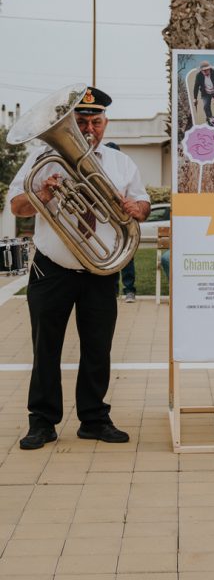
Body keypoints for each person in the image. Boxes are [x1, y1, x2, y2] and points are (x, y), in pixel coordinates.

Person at [9, 87, 151, 449]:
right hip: (52, 269)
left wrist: (139, 210)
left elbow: (143, 202)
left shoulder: (120, 163)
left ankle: (94, 419)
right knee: (46, 348)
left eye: (96, 121)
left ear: (106, 123)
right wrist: (43, 194)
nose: (89, 129)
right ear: (71, 122)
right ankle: (41, 422)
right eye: (82, 121)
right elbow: (16, 206)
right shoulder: (43, 160)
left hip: (100, 271)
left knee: (97, 347)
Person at [106, 141, 137, 303]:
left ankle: (129, 289)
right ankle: (114, 290)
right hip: (108, 225)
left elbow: (134, 199)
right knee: (110, 257)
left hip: (123, 223)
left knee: (127, 259)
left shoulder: (124, 172)